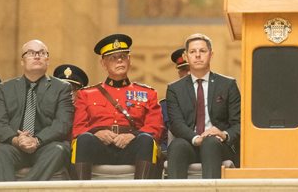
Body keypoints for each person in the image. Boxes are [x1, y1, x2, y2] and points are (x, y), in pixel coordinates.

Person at [71, 34, 164, 180]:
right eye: (113, 57)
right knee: (83, 140)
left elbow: (155, 127)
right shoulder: (86, 94)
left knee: (147, 140)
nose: (119, 60)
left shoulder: (147, 93)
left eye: (123, 56)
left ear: (129, 60)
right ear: (103, 63)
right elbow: (77, 129)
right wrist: (96, 133)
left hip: (132, 146)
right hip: (100, 147)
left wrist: (133, 135)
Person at [0, 39, 73, 181]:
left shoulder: (62, 88)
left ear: (47, 60)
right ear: (22, 61)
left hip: (46, 145)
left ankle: (24, 189)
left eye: (42, 53)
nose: (37, 56)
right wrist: (16, 140)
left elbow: (62, 124)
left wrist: (37, 141)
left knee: (59, 150)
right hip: (15, 146)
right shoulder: (4, 88)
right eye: (31, 53)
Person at [166, 33, 241, 179]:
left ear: (211, 54)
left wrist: (223, 134)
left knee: (210, 143)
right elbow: (176, 123)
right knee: (177, 146)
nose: (198, 55)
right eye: (193, 52)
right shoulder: (175, 89)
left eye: (202, 51)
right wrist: (195, 138)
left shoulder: (228, 85)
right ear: (187, 57)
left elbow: (239, 124)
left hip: (219, 144)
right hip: (189, 142)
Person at [160, 48, 190, 153]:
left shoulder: (212, 99)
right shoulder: (165, 105)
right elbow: (162, 138)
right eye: (184, 70)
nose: (189, 73)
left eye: (192, 69)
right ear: (179, 73)